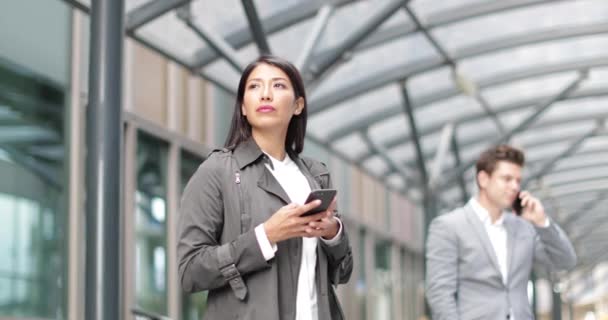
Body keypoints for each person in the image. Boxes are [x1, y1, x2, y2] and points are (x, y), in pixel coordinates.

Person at [177, 55, 353, 320]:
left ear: (297, 105)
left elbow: (343, 272)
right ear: (244, 107)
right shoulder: (218, 171)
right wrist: (265, 236)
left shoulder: (316, 176)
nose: (266, 94)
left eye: (279, 86)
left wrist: (332, 233)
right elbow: (190, 271)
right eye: (254, 86)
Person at [425, 145, 577, 320]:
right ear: (483, 179)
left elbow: (566, 261)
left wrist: (542, 222)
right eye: (507, 179)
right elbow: (440, 294)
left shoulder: (524, 228)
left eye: (518, 181)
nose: (514, 186)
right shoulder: (449, 226)